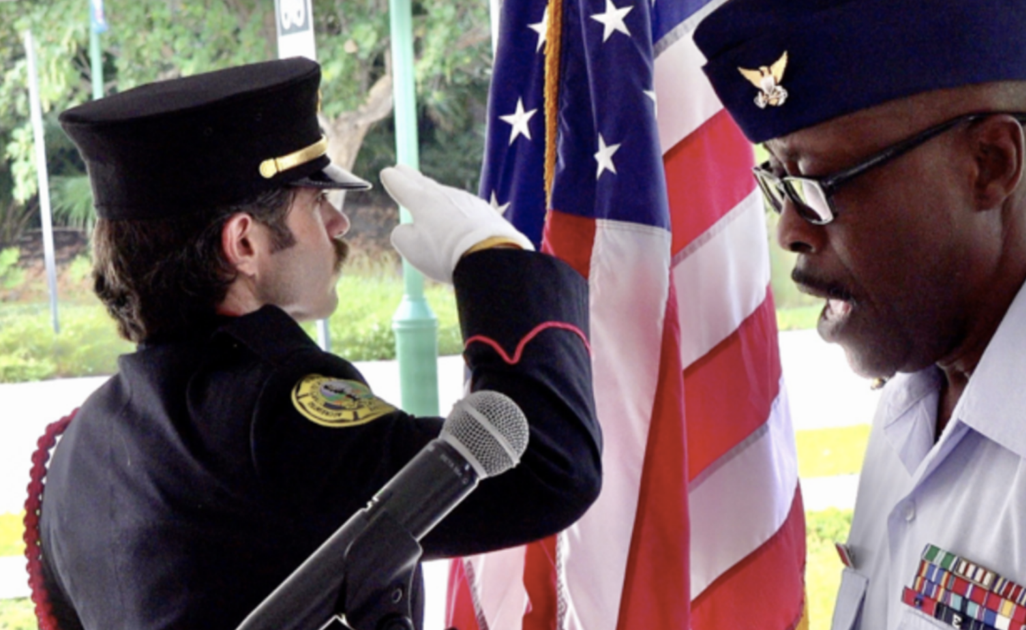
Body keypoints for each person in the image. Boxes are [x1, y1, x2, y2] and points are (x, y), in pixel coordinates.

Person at [34, 57, 601, 630]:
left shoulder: (82, 445)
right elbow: (549, 469)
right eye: (315, 203)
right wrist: (494, 263)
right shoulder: (274, 410)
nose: (338, 225)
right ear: (244, 244)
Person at [694, 0, 1026, 628]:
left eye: (819, 185)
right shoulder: (920, 378)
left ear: (988, 164)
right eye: (779, 184)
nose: (791, 232)